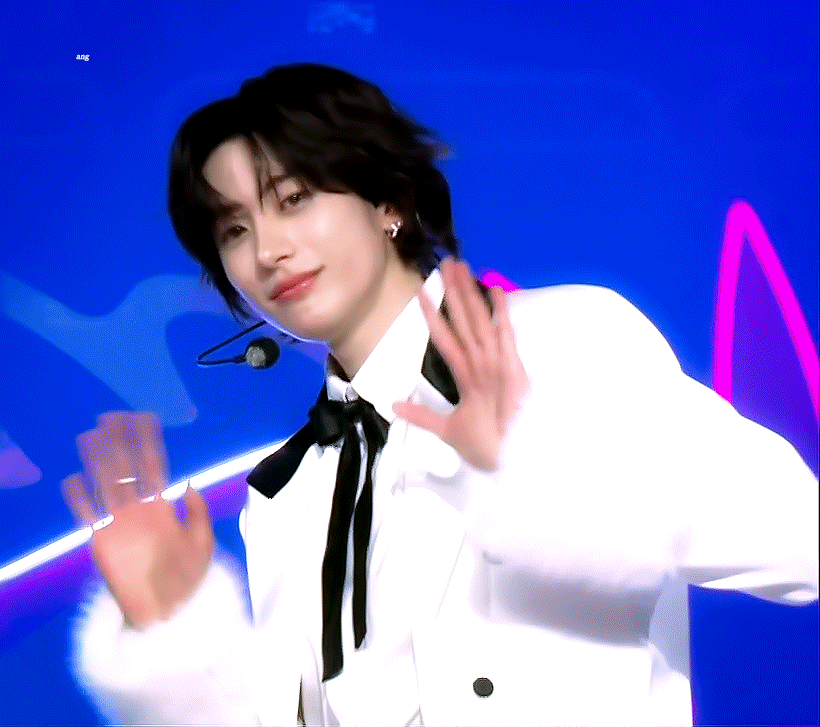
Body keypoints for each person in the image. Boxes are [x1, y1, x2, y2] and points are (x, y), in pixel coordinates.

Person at [63, 63, 818, 727]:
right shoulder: (288, 489)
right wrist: (175, 641)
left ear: (388, 200)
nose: (268, 250)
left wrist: (529, 470)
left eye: (292, 199)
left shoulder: (559, 339)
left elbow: (798, 542)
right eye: (233, 229)